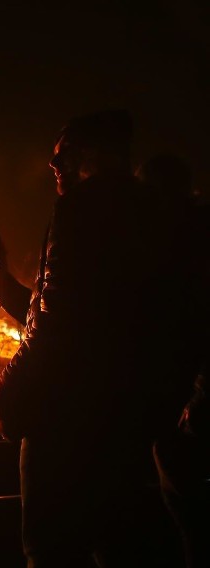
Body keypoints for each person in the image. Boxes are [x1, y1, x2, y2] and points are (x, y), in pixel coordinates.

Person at [0, 109, 200, 567]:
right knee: (116, 544)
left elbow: (58, 323)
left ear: (94, 156)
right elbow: (81, 312)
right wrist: (2, 282)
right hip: (125, 418)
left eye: (64, 156)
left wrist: (7, 395)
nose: (54, 167)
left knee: (51, 548)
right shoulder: (154, 212)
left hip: (66, 418)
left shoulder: (83, 208)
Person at [137, 153, 210, 568]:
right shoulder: (174, 242)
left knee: (192, 522)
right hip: (177, 414)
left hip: (189, 420)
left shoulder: (189, 245)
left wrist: (197, 406)